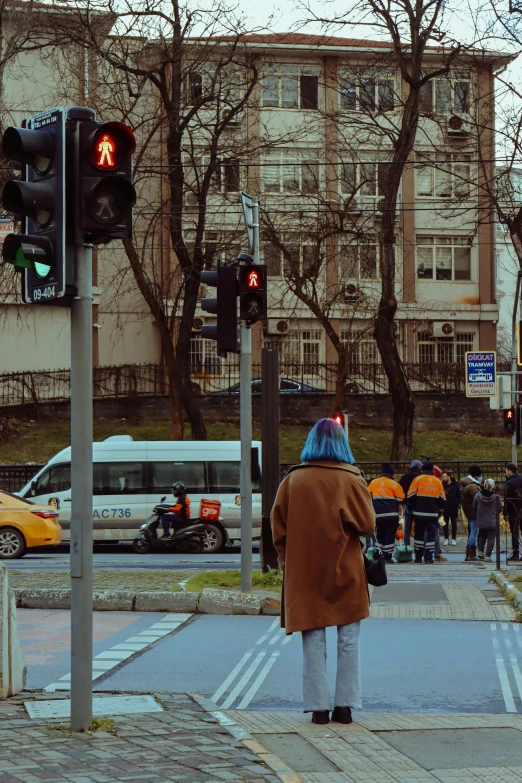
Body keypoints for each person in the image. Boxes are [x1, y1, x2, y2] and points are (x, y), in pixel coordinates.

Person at [271, 418, 375, 725]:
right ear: (341, 443)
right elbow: (367, 525)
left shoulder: (293, 480)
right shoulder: (351, 479)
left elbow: (279, 531)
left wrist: (288, 563)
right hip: (346, 569)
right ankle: (345, 706)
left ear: (311, 441)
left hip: (305, 573)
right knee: (349, 639)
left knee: (313, 639)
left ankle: (318, 708)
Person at [407, 462, 446, 564]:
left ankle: (418, 557)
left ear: (422, 470)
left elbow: (410, 496)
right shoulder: (437, 481)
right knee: (430, 535)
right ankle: (428, 557)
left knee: (418, 535)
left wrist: (412, 507)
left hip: (418, 513)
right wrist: (439, 510)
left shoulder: (417, 480)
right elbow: (442, 499)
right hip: (432, 514)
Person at [368, 463, 405, 562]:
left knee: (379, 535)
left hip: (378, 515)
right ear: (391, 473)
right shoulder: (394, 484)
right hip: (391, 515)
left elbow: (367, 496)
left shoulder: (373, 482)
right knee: (390, 535)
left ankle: (377, 555)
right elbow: (401, 499)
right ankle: (387, 556)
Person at [474, 478, 500, 563]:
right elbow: (499, 509)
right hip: (492, 521)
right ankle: (488, 555)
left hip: (481, 520)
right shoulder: (496, 497)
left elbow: (474, 506)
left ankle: (480, 552)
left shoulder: (478, 495)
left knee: (482, 536)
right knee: (491, 539)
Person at [460, 466, 483, 561]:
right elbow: (479, 499)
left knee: (472, 531)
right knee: (474, 532)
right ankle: (471, 553)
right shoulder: (473, 486)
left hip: (468, 511)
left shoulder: (465, 484)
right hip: (474, 511)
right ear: (477, 476)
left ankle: (468, 554)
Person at [399, 460, 422, 547]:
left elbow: (399, 488)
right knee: (418, 526)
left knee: (407, 527)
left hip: (406, 504)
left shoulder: (404, 477)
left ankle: (406, 546)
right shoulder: (419, 478)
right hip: (418, 504)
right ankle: (418, 546)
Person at [503, 463, 522, 561]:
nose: (505, 472)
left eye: (506, 470)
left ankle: (516, 552)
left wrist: (505, 512)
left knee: (514, 531)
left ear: (510, 471)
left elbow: (507, 499)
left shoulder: (509, 483)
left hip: (514, 509)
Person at [441, 470, 461, 546]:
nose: (443, 478)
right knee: (445, 523)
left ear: (449, 477)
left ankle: (453, 539)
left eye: (444, 477)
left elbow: (459, 496)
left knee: (454, 523)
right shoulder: (442, 485)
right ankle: (446, 538)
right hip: (445, 507)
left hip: (453, 506)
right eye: (443, 477)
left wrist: (456, 504)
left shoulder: (456, 485)